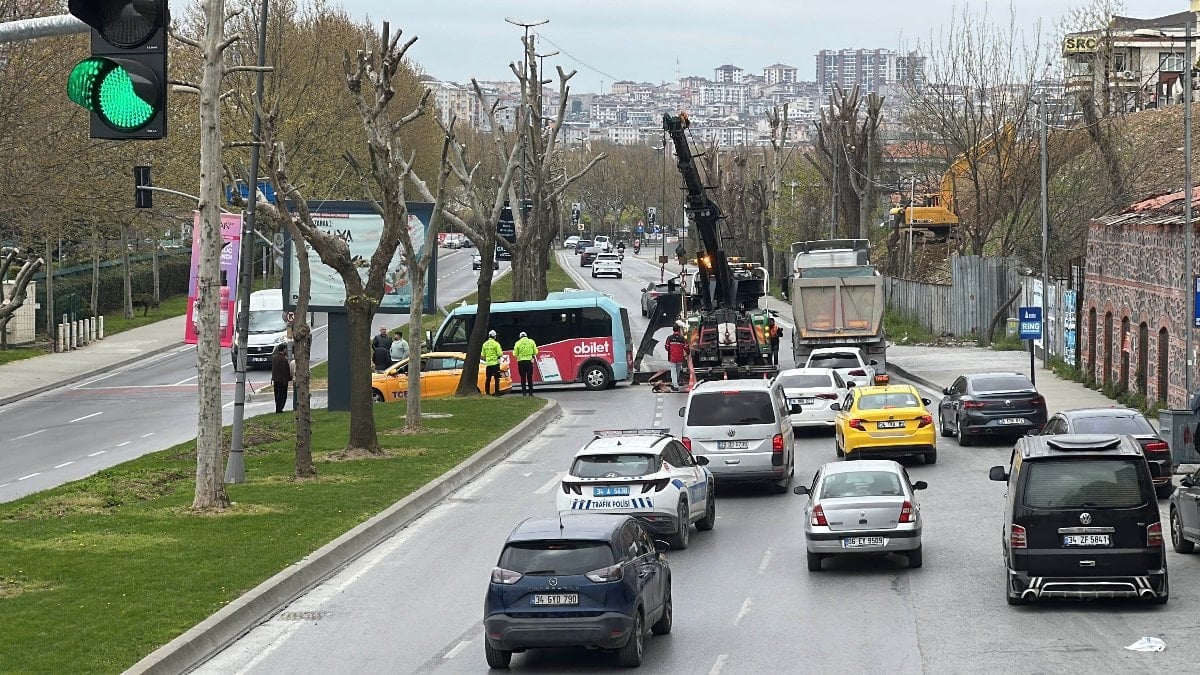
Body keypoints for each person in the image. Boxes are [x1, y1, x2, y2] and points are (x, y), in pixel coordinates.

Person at [513, 331, 539, 396]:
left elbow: (515, 354)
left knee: (523, 377)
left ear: (520, 337)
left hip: (521, 362)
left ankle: (524, 393)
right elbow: (536, 352)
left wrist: (519, 355)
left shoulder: (517, 343)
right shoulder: (531, 342)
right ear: (526, 336)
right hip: (529, 362)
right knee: (530, 377)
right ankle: (531, 393)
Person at [665, 325, 688, 391]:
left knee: (673, 370)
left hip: (672, 357)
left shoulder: (669, 338)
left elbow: (666, 347)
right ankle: (675, 382)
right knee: (677, 370)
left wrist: (671, 350)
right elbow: (686, 347)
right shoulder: (682, 338)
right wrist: (688, 353)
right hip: (680, 358)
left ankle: (675, 385)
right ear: (679, 330)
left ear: (673, 330)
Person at [271, 345, 293, 414]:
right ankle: (279, 409)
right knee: (282, 395)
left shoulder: (274, 357)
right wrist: (287, 379)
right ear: (284, 350)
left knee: (277, 394)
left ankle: (278, 408)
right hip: (282, 380)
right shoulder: (283, 359)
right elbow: (285, 370)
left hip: (276, 379)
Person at [482, 329, 504, 396]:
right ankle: (497, 393)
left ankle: (487, 393)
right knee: (496, 379)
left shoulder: (485, 344)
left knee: (488, 379)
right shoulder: (496, 344)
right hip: (495, 364)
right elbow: (500, 354)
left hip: (488, 364)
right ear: (494, 336)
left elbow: (483, 355)